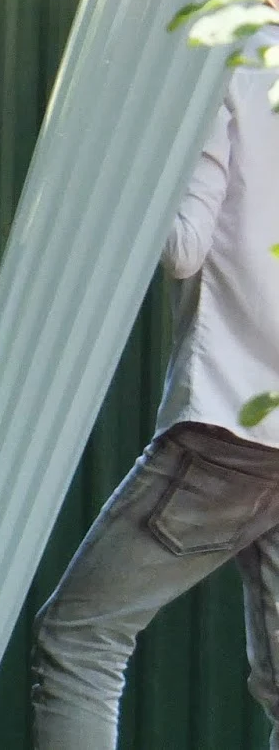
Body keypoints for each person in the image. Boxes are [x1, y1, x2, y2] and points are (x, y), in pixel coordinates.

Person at [30, 58, 279, 748]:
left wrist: (116, 151)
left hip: (236, 422)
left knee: (80, 639)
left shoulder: (232, 61)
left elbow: (181, 246)